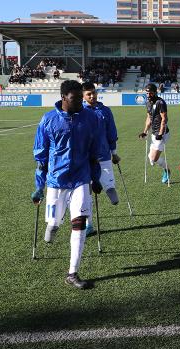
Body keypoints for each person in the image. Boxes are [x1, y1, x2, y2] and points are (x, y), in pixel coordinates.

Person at [31, 80, 102, 289]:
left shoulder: (91, 118)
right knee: (54, 223)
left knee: (79, 224)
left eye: (81, 97)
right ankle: (52, 226)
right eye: (75, 98)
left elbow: (94, 152)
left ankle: (72, 272)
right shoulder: (48, 120)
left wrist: (95, 178)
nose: (80, 101)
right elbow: (41, 156)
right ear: (64, 98)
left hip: (81, 178)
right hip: (56, 180)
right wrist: (39, 185)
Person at [82, 82, 120, 233]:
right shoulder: (79, 112)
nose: (92, 96)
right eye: (88, 94)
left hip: (103, 154)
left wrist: (114, 152)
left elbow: (112, 132)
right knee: (87, 191)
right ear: (83, 96)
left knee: (108, 185)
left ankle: (109, 188)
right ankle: (88, 224)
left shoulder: (105, 110)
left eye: (93, 93)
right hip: (84, 157)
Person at [138, 83, 171, 184]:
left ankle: (167, 170)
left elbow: (164, 119)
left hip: (162, 133)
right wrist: (145, 131)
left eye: (150, 93)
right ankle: (164, 167)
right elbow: (149, 117)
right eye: (147, 93)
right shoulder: (148, 103)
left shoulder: (160, 102)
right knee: (152, 161)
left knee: (153, 158)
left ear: (155, 92)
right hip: (154, 133)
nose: (148, 95)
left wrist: (160, 134)